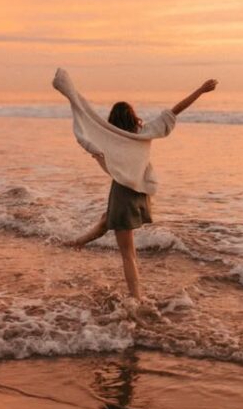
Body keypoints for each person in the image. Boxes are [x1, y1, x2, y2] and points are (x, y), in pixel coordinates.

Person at [53, 69, 218, 300]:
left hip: (122, 193)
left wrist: (70, 92)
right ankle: (76, 243)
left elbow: (86, 116)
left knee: (128, 254)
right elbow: (175, 111)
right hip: (141, 195)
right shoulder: (144, 133)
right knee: (105, 220)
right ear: (133, 117)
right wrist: (201, 90)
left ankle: (136, 297)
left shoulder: (112, 138)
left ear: (112, 120)